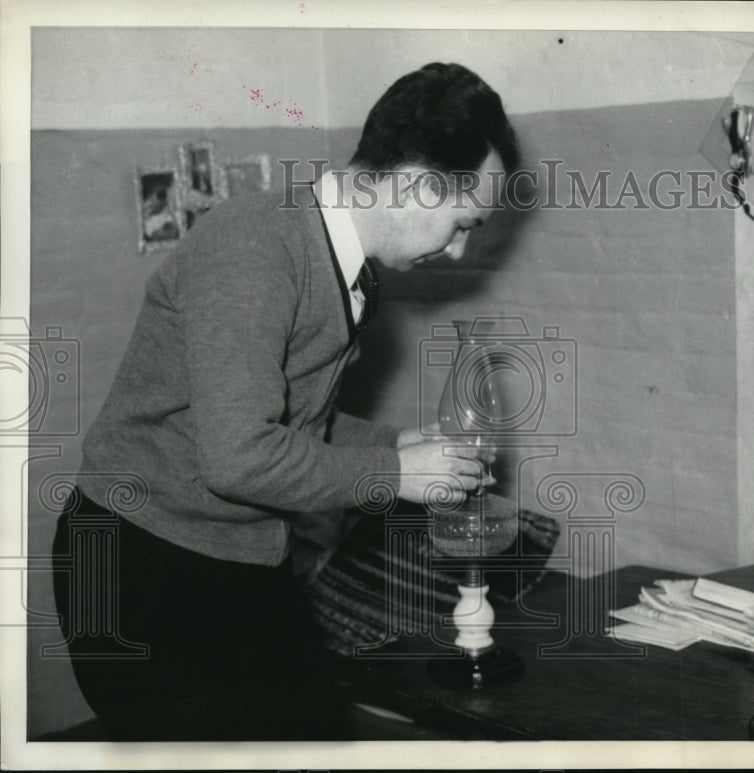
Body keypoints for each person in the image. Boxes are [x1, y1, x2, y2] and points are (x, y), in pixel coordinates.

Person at [51, 62, 518, 741]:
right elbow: (239, 457)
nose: (459, 248)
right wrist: (393, 476)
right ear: (417, 184)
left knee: (315, 729)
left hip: (232, 552)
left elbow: (293, 423)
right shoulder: (257, 245)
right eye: (460, 223)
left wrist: (393, 447)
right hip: (136, 567)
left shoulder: (337, 260)